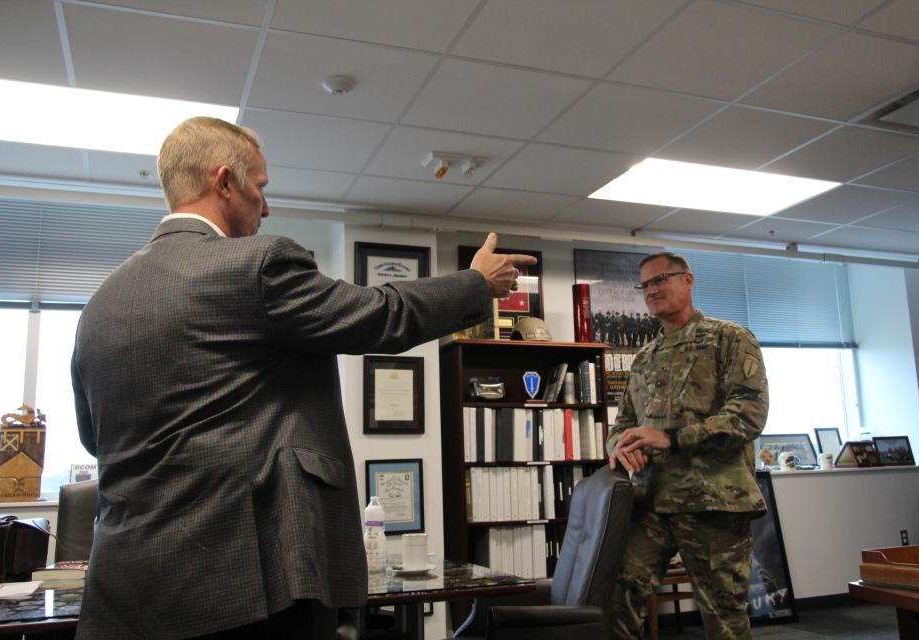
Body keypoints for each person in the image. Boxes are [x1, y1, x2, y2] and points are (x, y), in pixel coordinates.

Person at [70, 116, 536, 639]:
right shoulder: (256, 264)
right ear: (224, 181)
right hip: (245, 584)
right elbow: (381, 315)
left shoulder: (100, 303)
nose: (265, 208)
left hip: (124, 591)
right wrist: (476, 283)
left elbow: (95, 436)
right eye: (260, 189)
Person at [606, 252, 769, 640]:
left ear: (688, 280)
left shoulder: (729, 338)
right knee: (615, 599)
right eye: (645, 285)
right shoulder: (644, 357)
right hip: (651, 502)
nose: (652, 290)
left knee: (723, 618)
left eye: (661, 279)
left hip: (713, 503)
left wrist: (672, 438)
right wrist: (619, 445)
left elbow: (748, 414)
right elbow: (623, 424)